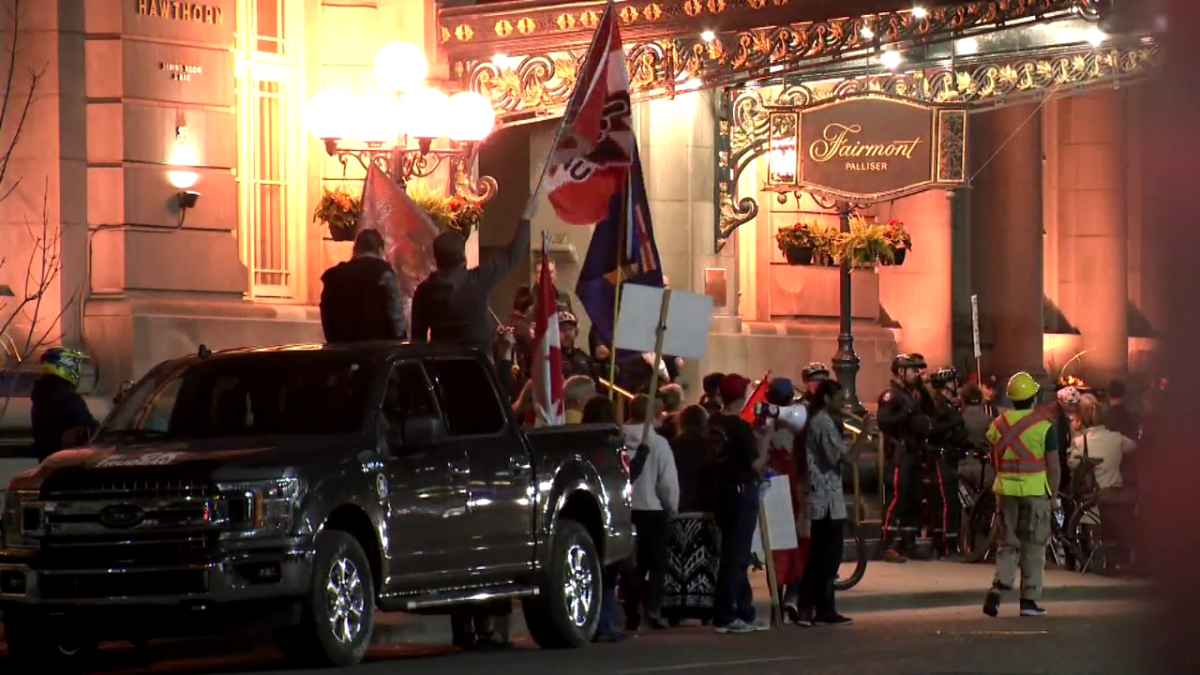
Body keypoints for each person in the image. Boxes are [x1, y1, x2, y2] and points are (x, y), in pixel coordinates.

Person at [796, 379, 878, 627]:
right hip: (825, 498)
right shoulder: (822, 422)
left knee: (821, 555)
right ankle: (822, 610)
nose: (844, 404)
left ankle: (808, 608)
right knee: (827, 557)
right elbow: (848, 459)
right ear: (828, 399)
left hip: (827, 496)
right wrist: (864, 433)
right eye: (840, 399)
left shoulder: (824, 421)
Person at [983, 371, 1061, 618]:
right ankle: (1028, 602)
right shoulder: (1045, 428)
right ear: (1035, 397)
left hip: (1005, 492)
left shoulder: (997, 424)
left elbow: (996, 459)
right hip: (1036, 492)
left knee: (1007, 543)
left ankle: (999, 587)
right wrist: (1053, 496)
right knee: (1034, 546)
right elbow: (1054, 466)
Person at [411, 217, 531, 353]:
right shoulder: (477, 279)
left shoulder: (424, 291)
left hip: (442, 365)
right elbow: (513, 255)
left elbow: (418, 339)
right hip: (480, 363)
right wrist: (526, 218)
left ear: (436, 259)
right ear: (463, 256)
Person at [707, 374, 769, 634]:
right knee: (737, 556)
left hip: (721, 489)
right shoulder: (738, 427)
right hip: (741, 490)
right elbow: (755, 464)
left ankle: (744, 610)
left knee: (733, 554)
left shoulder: (714, 422)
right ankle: (725, 615)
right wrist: (765, 439)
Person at [621, 394, 680, 631]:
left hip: (627, 509)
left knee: (630, 564)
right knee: (656, 563)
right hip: (653, 510)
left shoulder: (619, 437)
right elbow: (667, 483)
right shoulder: (658, 444)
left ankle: (630, 608)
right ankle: (653, 607)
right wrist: (672, 507)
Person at [755, 378, 809, 623]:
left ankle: (780, 601)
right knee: (793, 545)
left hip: (773, 485)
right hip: (789, 485)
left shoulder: (770, 420)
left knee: (777, 547)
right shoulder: (792, 418)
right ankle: (791, 598)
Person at [1068, 395, 1138, 570]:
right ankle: (1116, 561)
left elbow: (1072, 464)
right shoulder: (1117, 438)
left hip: (1091, 498)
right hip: (1115, 495)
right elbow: (1135, 449)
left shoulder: (1080, 442)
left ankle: (1089, 560)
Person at [877, 353, 932, 563]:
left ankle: (909, 542)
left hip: (916, 451)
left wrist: (923, 390)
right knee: (897, 498)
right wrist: (907, 411)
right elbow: (884, 421)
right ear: (901, 371)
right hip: (900, 453)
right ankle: (887, 544)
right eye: (914, 370)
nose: (918, 374)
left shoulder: (915, 393)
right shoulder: (892, 395)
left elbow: (929, 409)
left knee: (915, 498)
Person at [319, 229, 406, 343]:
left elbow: (326, 312)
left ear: (355, 248)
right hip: (377, 347)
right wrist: (400, 339)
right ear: (380, 249)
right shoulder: (384, 273)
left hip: (342, 347)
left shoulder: (335, 275)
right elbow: (395, 313)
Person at [928, 367, 969, 559]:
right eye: (954, 381)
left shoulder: (948, 405)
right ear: (947, 385)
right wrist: (953, 423)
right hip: (941, 458)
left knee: (946, 502)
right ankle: (946, 546)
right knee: (947, 502)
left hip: (950, 457)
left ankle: (943, 543)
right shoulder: (938, 405)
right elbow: (931, 430)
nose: (957, 385)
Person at [31, 348, 98, 462]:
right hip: (67, 465)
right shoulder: (67, 397)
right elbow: (92, 428)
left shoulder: (41, 395)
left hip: (47, 463)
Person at [558, 312, 595, 380]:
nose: (567, 333)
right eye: (562, 329)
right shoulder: (550, 360)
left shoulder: (584, 358)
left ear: (576, 331)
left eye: (570, 328)